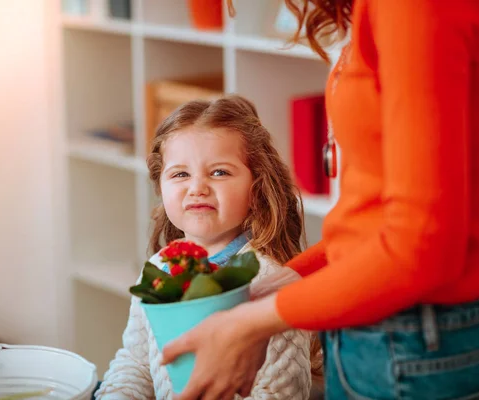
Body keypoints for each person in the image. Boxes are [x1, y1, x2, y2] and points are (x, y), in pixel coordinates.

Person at [161, 0, 479, 399]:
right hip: (405, 340)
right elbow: (386, 218)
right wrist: (281, 284)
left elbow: (421, 247)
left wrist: (250, 323)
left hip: (409, 347)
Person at [95, 95, 320, 400]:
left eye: (219, 172)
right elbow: (135, 364)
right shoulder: (159, 270)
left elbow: (279, 393)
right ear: (161, 186)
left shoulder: (269, 284)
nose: (197, 187)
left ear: (257, 189)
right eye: (180, 174)